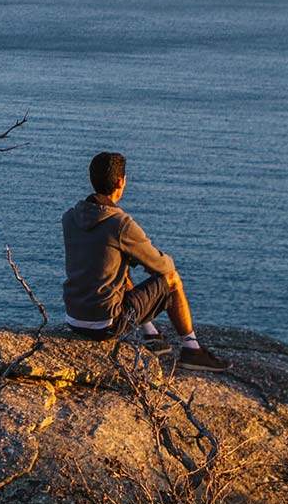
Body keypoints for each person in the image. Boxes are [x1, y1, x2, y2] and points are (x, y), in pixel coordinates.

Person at [61, 151, 229, 372]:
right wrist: (153, 262)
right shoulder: (120, 224)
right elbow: (164, 267)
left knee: (117, 266)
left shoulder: (70, 217)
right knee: (171, 279)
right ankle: (192, 349)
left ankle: (151, 335)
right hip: (106, 325)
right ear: (121, 181)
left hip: (74, 318)